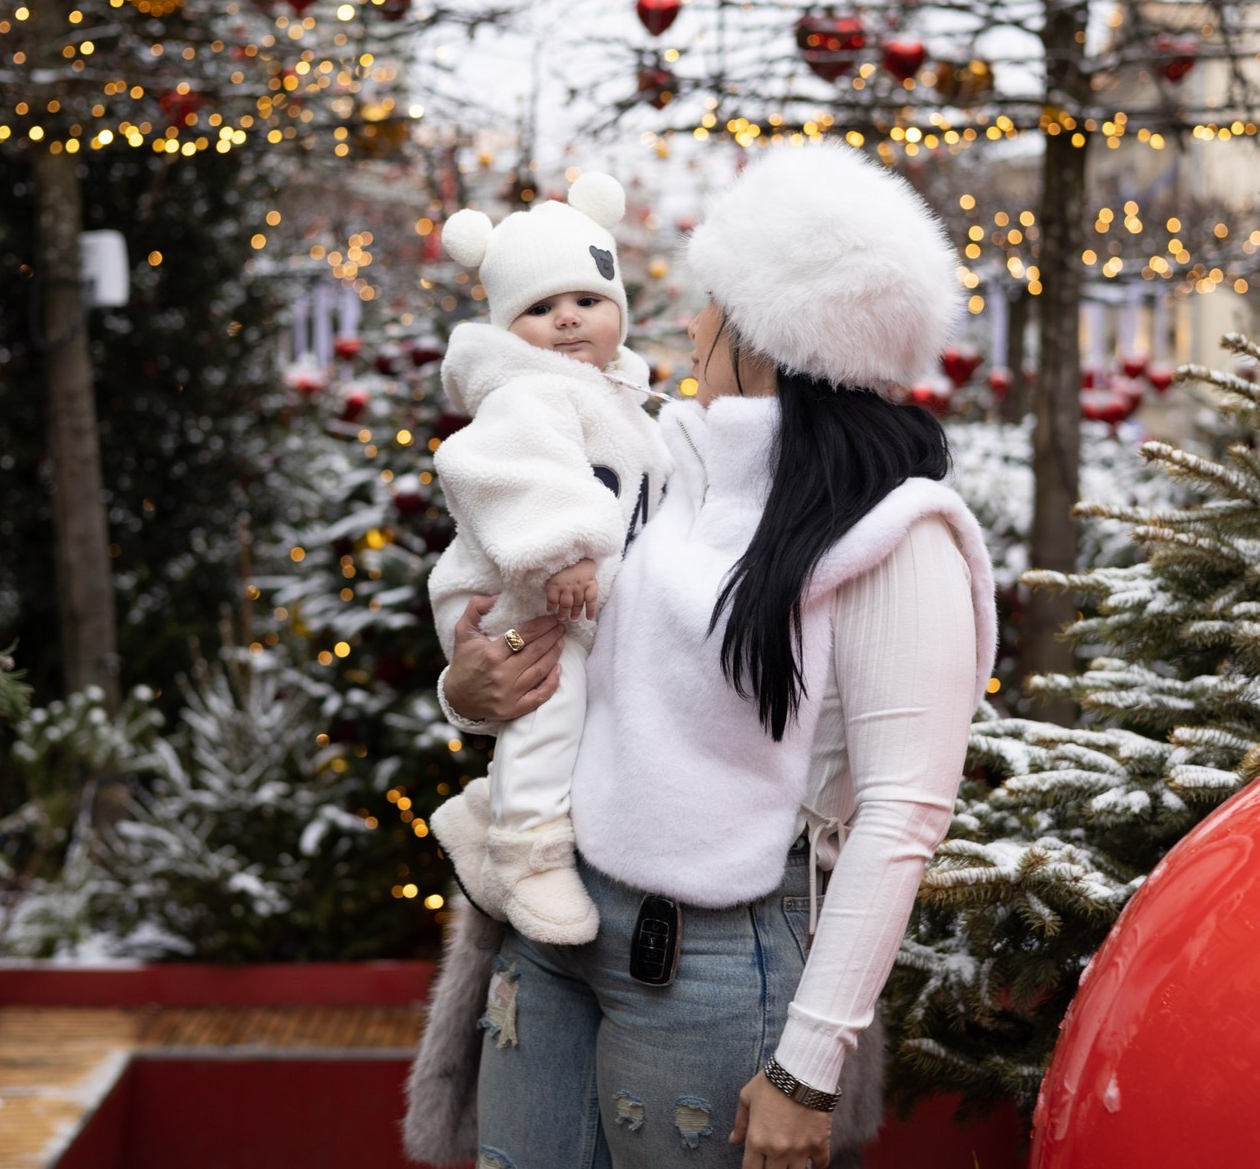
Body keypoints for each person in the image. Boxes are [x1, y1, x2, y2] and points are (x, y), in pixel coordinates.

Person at [426, 143, 997, 1169]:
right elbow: (561, 643)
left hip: (717, 960)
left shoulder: (894, 532)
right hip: (551, 924)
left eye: (709, 302)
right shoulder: (658, 458)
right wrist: (467, 687)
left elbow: (904, 815)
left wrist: (805, 1067)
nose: (686, 326)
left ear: (765, 330)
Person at [426, 171, 672, 946]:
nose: (567, 320)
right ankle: (526, 850)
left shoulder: (626, 399)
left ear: (618, 313)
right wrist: (566, 549)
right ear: (509, 326)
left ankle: (487, 810)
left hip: (573, 593)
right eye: (539, 309)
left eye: (587, 302)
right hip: (519, 593)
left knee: (582, 701)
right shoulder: (525, 393)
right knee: (550, 694)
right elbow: (516, 470)